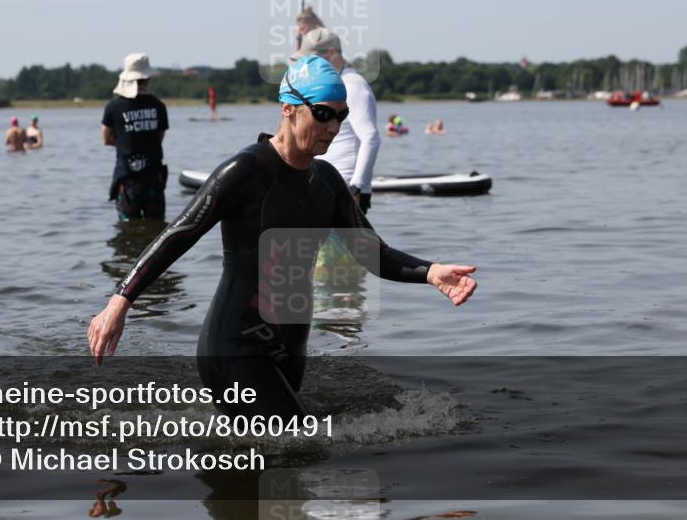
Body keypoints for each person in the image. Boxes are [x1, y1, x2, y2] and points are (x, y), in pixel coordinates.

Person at [87, 55, 478, 418]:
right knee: (301, 441)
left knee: (293, 464)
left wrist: (430, 272)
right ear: (289, 108)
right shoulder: (245, 171)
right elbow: (179, 234)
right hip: (234, 349)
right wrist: (121, 301)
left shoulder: (327, 181)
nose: (333, 127)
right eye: (323, 114)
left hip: (290, 350)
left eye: (341, 116)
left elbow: (372, 252)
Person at [292, 28, 380, 214]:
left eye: (312, 60)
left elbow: (371, 137)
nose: (308, 66)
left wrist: (356, 187)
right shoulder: (337, 84)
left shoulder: (352, 85)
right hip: (327, 185)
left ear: (331, 53)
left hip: (346, 187)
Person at [101, 53, 169, 220]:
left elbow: (106, 139)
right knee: (157, 227)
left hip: (127, 179)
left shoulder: (113, 107)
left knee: (127, 228)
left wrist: (125, 142)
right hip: (153, 178)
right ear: (147, 79)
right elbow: (159, 138)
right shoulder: (158, 106)